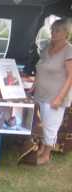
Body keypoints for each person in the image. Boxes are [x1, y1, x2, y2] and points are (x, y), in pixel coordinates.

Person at [34, 18, 72, 165]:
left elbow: (70, 77)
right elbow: (40, 67)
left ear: (66, 33)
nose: (53, 33)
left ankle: (46, 155)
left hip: (55, 96)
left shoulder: (69, 50)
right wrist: (34, 85)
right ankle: (41, 149)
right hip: (40, 93)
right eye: (52, 29)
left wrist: (59, 98)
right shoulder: (47, 47)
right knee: (42, 124)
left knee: (51, 126)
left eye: (57, 30)